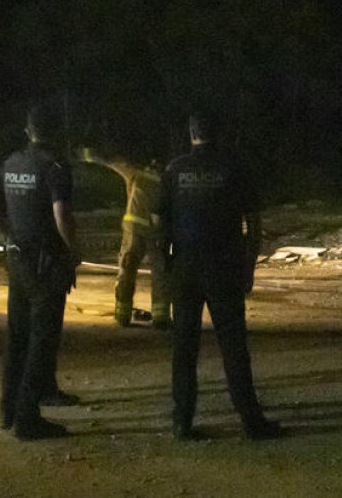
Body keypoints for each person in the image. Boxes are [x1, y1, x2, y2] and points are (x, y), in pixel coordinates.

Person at [157, 108, 283, 441]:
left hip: (185, 268)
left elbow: (161, 224)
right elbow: (253, 225)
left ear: (191, 133)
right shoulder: (235, 169)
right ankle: (251, 421)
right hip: (224, 267)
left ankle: (181, 421)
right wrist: (249, 267)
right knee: (233, 346)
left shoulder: (173, 170)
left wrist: (166, 267)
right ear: (219, 132)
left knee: (184, 347)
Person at [0, 105, 81, 440]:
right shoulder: (55, 167)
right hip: (45, 264)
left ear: (28, 131)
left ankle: (8, 408)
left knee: (17, 338)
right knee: (41, 341)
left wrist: (11, 235)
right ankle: (27, 418)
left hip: (17, 261)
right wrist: (74, 253)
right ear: (56, 133)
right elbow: (61, 216)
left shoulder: (12, 163)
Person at [80, 148, 170, 329]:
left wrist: (87, 155)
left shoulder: (138, 175)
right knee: (160, 274)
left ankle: (122, 314)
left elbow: (115, 164)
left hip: (134, 232)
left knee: (126, 270)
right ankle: (161, 317)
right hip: (156, 233)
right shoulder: (168, 182)